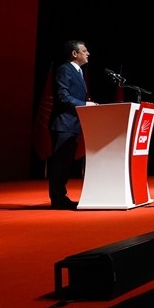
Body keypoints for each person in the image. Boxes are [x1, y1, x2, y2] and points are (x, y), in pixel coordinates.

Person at [47, 39, 97, 209]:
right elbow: (63, 96)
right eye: (84, 50)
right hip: (63, 124)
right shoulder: (64, 69)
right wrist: (85, 105)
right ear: (74, 53)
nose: (88, 53)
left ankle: (61, 198)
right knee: (60, 163)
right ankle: (57, 199)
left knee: (66, 163)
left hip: (73, 125)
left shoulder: (78, 71)